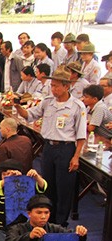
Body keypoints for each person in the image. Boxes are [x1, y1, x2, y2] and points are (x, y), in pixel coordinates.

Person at [15, 67, 86, 226]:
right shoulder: (47, 102)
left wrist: (76, 157)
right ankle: (48, 219)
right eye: (52, 85)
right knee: (48, 185)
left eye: (56, 86)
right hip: (48, 147)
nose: (53, 89)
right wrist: (18, 106)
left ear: (66, 86)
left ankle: (60, 223)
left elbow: (81, 135)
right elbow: (30, 115)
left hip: (66, 149)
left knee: (64, 187)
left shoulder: (77, 106)